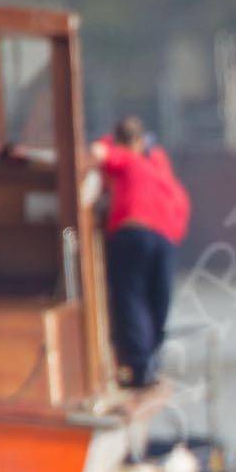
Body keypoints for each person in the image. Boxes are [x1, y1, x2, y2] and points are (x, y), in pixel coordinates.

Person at [90, 115, 190, 387]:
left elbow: (97, 153)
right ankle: (151, 363)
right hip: (167, 237)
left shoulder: (126, 159)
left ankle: (138, 366)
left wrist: (107, 143)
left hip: (132, 232)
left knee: (130, 297)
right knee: (158, 300)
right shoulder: (157, 163)